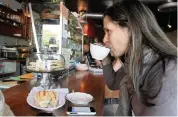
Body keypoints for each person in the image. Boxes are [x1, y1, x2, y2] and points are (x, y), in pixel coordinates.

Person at [101, 0, 177, 116]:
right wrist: (104, 56)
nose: (104, 39)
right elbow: (112, 83)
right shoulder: (133, 66)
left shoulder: (166, 72)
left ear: (130, 29)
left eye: (108, 31)